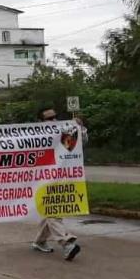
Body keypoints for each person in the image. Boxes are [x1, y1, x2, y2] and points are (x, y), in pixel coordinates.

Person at [31, 107, 82, 261]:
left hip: (61, 178)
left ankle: (39, 241)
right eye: (49, 119)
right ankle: (66, 243)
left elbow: (79, 142)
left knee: (51, 212)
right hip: (42, 179)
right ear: (41, 122)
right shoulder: (34, 136)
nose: (53, 121)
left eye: (55, 117)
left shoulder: (63, 133)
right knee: (54, 211)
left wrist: (78, 127)